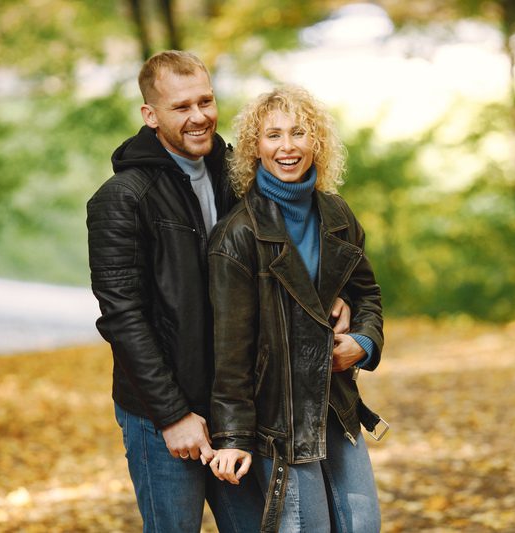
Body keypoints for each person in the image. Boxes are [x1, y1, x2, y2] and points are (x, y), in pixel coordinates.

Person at [86, 51, 352, 532]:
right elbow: (122, 318)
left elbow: (289, 253)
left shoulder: (238, 176)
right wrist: (172, 415)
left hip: (239, 408)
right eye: (180, 107)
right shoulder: (121, 199)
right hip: (162, 414)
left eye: (205, 101)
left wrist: (332, 300)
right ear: (151, 115)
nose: (198, 117)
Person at [207, 85, 388, 533]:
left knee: (363, 526)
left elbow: (367, 295)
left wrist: (361, 343)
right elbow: (230, 349)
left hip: (336, 402)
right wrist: (231, 436)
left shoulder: (338, 215)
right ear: (255, 148)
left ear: (317, 143)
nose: (287, 147)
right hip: (279, 419)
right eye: (272, 136)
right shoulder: (238, 234)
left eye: (299, 133)